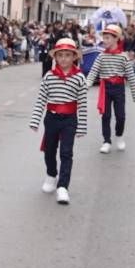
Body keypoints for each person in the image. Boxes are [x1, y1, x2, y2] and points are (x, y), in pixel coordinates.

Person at [29, 38, 88, 205]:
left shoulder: (79, 77)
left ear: (74, 57)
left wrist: (82, 127)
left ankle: (63, 187)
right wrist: (35, 120)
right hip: (52, 118)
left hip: (69, 119)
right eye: (60, 55)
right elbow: (41, 99)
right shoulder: (49, 76)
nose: (63, 59)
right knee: (49, 150)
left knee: (66, 153)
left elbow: (82, 103)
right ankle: (51, 174)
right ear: (55, 57)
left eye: (67, 55)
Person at [86, 24, 135, 154]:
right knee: (106, 116)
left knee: (120, 116)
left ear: (116, 39)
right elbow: (93, 71)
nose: (104, 40)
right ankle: (106, 141)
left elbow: (131, 75)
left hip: (119, 88)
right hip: (106, 88)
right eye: (104, 38)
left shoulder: (123, 56)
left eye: (107, 38)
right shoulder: (101, 56)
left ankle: (119, 136)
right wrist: (87, 85)